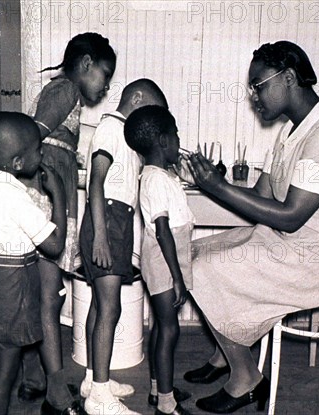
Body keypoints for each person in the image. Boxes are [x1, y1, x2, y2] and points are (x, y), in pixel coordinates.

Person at [185, 41, 319, 413]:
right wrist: (209, 181)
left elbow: (289, 215)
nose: (254, 97)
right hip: (295, 242)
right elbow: (260, 196)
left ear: (288, 78)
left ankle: (246, 378)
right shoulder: (292, 130)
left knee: (202, 269)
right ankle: (228, 354)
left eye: (259, 85)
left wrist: (216, 187)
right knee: (193, 253)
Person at [0, 112, 81, 415]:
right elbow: (54, 245)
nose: (42, 154)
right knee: (5, 367)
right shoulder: (17, 198)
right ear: (18, 163)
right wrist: (59, 196)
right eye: (38, 149)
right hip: (10, 289)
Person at [17, 32, 117, 413]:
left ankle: (34, 376)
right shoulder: (66, 91)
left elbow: (47, 141)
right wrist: (53, 184)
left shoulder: (60, 90)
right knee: (48, 295)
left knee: (40, 293)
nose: (105, 85)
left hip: (46, 196)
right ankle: (56, 392)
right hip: (47, 202)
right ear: (86, 64)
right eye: (104, 75)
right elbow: (31, 140)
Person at [78, 80, 169, 415]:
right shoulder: (110, 129)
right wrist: (102, 235)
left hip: (116, 221)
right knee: (110, 309)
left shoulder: (122, 134)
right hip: (108, 222)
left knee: (99, 307)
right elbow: (96, 182)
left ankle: (93, 379)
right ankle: (99, 399)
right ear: (138, 99)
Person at [124, 105, 194, 415]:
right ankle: (166, 404)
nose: (180, 141)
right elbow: (163, 231)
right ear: (164, 141)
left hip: (167, 257)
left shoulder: (160, 174)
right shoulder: (153, 179)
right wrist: (177, 277)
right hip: (165, 259)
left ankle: (158, 389)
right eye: (176, 135)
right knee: (169, 330)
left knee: (161, 326)